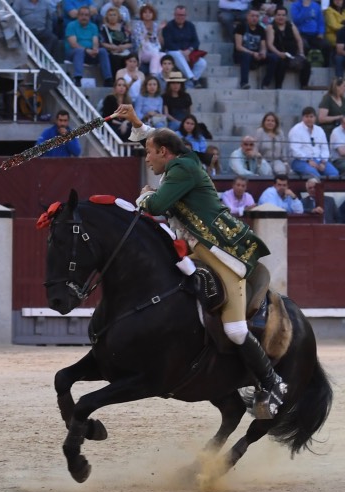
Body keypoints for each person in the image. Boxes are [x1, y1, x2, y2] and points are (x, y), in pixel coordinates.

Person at [113, 103, 284, 419]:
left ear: (164, 152)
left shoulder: (182, 170)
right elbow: (158, 138)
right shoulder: (182, 160)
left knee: (234, 330)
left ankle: (272, 383)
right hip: (200, 252)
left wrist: (144, 196)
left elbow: (158, 204)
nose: (146, 158)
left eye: (149, 154)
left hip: (225, 254)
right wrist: (137, 122)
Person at [65, 6, 113, 88]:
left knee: (102, 51)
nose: (84, 17)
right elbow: (73, 44)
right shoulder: (71, 25)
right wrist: (86, 50)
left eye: (86, 15)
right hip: (73, 53)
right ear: (78, 16)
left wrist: (95, 50)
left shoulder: (93, 26)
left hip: (89, 53)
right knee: (79, 51)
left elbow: (95, 41)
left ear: (89, 17)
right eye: (82, 15)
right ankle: (78, 78)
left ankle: (108, 79)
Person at [265, 6, 310, 89]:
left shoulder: (291, 25)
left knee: (306, 63)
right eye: (278, 15)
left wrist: (301, 53)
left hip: (292, 55)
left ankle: (304, 85)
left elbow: (299, 40)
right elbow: (270, 44)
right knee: (281, 63)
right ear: (275, 16)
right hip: (279, 54)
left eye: (283, 15)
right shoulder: (270, 27)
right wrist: (279, 53)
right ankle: (278, 86)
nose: (281, 17)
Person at [161, 5, 207, 88]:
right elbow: (168, 43)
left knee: (202, 63)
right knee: (177, 54)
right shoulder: (169, 26)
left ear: (186, 16)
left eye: (182, 15)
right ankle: (192, 78)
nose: (180, 17)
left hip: (188, 52)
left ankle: (188, 85)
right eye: (178, 15)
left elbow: (196, 42)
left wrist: (189, 50)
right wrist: (181, 52)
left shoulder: (190, 26)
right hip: (172, 52)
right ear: (174, 15)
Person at [289, 106, 340, 178]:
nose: (309, 119)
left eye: (311, 116)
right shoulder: (296, 130)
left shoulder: (319, 130)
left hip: (319, 160)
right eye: (306, 117)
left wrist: (323, 162)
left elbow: (325, 148)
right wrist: (308, 160)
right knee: (314, 174)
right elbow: (295, 151)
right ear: (302, 118)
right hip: (300, 161)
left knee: (334, 174)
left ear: (315, 118)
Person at [233, 8, 274, 90]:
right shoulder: (241, 27)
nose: (254, 18)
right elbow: (238, 46)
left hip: (256, 55)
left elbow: (263, 45)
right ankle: (244, 83)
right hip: (241, 55)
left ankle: (265, 84)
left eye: (257, 16)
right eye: (252, 16)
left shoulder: (261, 29)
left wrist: (263, 52)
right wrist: (252, 53)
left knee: (274, 58)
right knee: (246, 55)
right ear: (247, 17)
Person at [289, 0, 330, 67]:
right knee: (304, 46)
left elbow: (321, 22)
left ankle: (325, 67)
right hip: (301, 34)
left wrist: (321, 32)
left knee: (326, 46)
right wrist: (305, 7)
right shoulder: (295, 5)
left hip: (315, 35)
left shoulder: (316, 5)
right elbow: (296, 21)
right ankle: (304, 67)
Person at [254, 111, 291, 176]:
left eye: (272, 121)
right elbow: (255, 148)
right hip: (263, 160)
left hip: (276, 160)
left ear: (276, 123)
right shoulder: (260, 131)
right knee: (267, 172)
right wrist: (258, 158)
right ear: (264, 122)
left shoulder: (280, 133)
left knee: (281, 171)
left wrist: (285, 162)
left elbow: (283, 148)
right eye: (268, 120)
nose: (270, 123)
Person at [132, 3, 165, 75]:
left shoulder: (155, 25)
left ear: (153, 14)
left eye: (150, 12)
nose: (147, 14)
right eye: (145, 12)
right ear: (142, 14)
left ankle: (160, 76)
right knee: (155, 55)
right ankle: (153, 75)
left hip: (153, 49)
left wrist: (159, 31)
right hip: (142, 51)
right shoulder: (138, 25)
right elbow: (138, 42)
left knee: (163, 55)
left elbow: (159, 44)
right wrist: (149, 36)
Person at [99, 7, 132, 75]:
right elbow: (102, 42)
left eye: (114, 15)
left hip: (123, 50)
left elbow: (130, 43)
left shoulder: (123, 28)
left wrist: (122, 47)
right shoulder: (104, 28)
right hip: (111, 51)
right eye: (110, 15)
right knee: (115, 59)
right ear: (107, 17)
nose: (112, 17)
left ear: (118, 16)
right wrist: (114, 48)